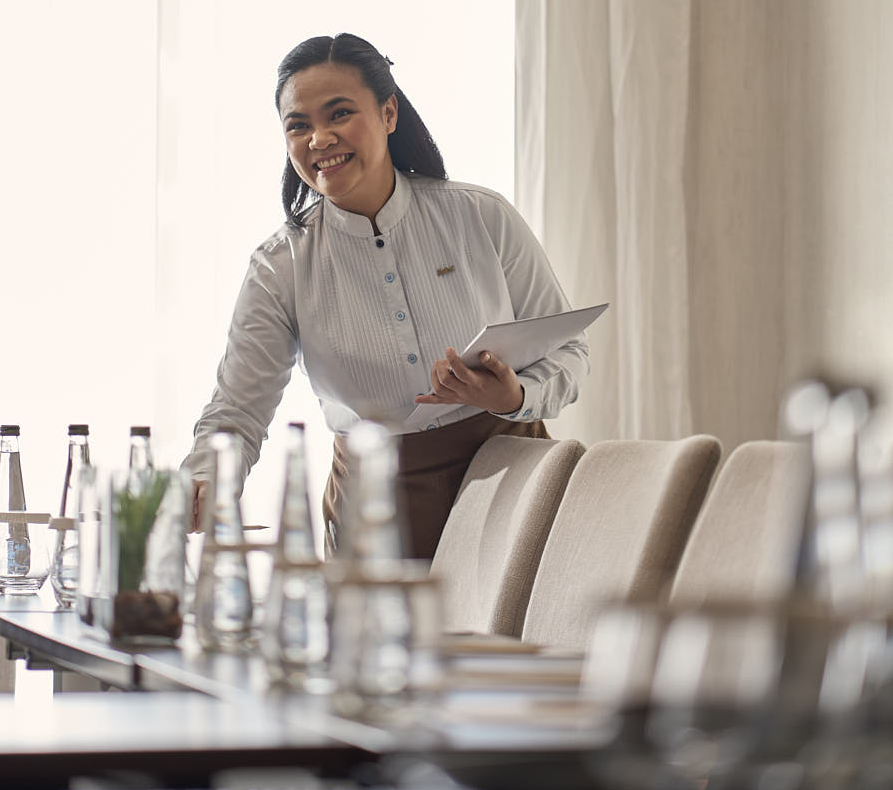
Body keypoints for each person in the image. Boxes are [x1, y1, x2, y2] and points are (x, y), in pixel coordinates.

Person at [179, 33, 589, 558]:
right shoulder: (279, 266)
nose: (319, 138)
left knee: (521, 638)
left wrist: (513, 397)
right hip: (375, 510)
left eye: (339, 114)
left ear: (389, 112)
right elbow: (237, 411)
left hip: (514, 481)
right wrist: (204, 479)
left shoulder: (481, 216)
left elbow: (569, 351)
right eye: (298, 125)